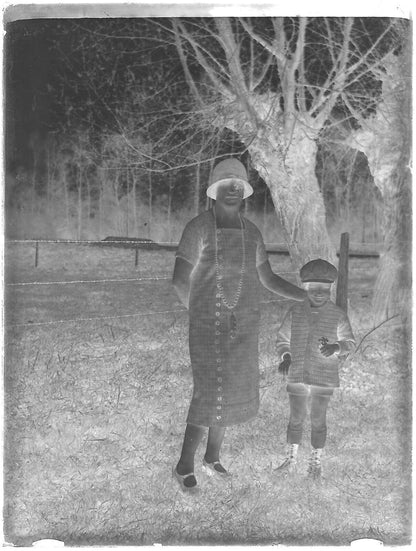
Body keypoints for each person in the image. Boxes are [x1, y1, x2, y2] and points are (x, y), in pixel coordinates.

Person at [172, 158, 306, 492]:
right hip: (205, 327)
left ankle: (212, 458)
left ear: (243, 192)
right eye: (225, 184)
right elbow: (178, 280)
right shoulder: (198, 227)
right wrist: (199, 312)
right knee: (207, 391)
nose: (232, 190)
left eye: (238, 185)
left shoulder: (253, 232)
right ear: (214, 190)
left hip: (242, 327)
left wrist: (305, 297)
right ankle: (184, 464)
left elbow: (268, 278)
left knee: (229, 389)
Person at [275, 258, 355, 478]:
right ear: (306, 287)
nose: (319, 293)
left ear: (330, 288)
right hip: (297, 374)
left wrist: (336, 347)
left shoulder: (338, 314)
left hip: (324, 375)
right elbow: (283, 338)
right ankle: (291, 460)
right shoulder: (295, 312)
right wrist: (285, 356)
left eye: (324, 290)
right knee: (296, 417)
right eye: (314, 289)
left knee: (318, 418)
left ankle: (315, 465)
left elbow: (350, 342)